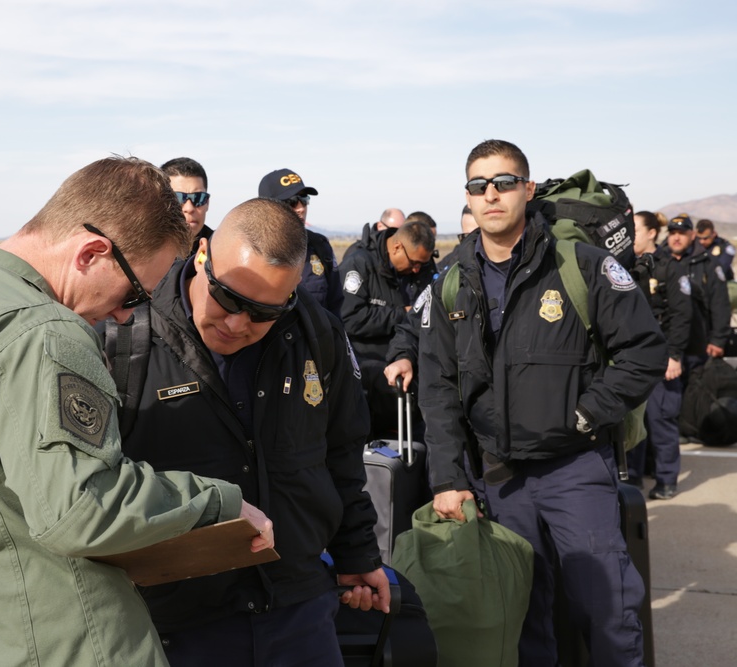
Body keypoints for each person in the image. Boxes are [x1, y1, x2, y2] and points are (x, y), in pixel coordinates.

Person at [0, 157, 274, 667]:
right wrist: (218, 503)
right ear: (92, 252)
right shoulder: (46, 333)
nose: (128, 314)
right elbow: (80, 508)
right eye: (135, 292)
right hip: (58, 641)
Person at [103, 197, 388, 667]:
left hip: (297, 606)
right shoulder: (123, 336)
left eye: (263, 313)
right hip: (172, 619)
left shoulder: (318, 336)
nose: (238, 324)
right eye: (228, 298)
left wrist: (357, 555)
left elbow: (340, 453)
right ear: (201, 256)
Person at [418, 139, 666, 666]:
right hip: (501, 477)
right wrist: (447, 477)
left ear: (528, 190)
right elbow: (437, 385)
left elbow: (643, 351)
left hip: (574, 468)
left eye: (504, 182)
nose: (491, 195)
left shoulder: (580, 264)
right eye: (478, 185)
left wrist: (587, 412)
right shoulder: (454, 279)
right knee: (524, 620)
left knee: (607, 614)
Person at [341, 220, 435, 437]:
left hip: (410, 379)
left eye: (422, 264)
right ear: (396, 247)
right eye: (414, 263)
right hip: (368, 380)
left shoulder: (423, 269)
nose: (417, 269)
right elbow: (349, 317)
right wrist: (402, 313)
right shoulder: (359, 265)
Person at [626, 211, 692, 500]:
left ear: (652, 233)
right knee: (633, 423)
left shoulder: (669, 267)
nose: (630, 236)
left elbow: (681, 315)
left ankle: (666, 480)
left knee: (661, 421)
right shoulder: (624, 265)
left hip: (663, 357)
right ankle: (634, 479)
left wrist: (674, 355)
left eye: (635, 230)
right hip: (633, 359)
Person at [258, 168, 343, 317]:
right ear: (267, 208)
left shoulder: (320, 247)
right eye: (292, 202)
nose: (301, 208)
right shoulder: (252, 251)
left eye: (304, 200)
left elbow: (336, 308)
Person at [660, 213, 730, 366]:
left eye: (682, 233)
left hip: (698, 344)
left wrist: (718, 340)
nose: (676, 238)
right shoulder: (659, 261)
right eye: (672, 233)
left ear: (692, 235)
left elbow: (720, 303)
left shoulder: (708, 263)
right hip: (665, 344)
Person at [162, 156, 213, 255]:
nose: (189, 208)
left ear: (207, 203)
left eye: (198, 198)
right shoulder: (137, 251)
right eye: (177, 198)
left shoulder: (221, 252)